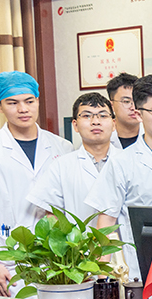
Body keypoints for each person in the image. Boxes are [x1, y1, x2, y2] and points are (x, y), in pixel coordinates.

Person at [0, 71, 72, 296]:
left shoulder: (62, 147)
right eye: (13, 103)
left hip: (59, 256)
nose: (23, 109)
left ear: (37, 101)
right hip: (11, 258)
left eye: (29, 101)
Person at [85, 74, 152, 281]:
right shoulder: (121, 163)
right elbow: (106, 224)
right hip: (138, 272)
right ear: (138, 114)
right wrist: (104, 278)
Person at [27, 92, 118, 223]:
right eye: (86, 116)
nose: (96, 122)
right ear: (75, 125)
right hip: (77, 237)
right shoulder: (61, 166)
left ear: (114, 124)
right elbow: (52, 215)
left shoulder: (128, 162)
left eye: (103, 116)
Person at [107, 72, 141, 149]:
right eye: (126, 101)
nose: (133, 107)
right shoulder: (101, 138)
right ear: (111, 106)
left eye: (137, 101)